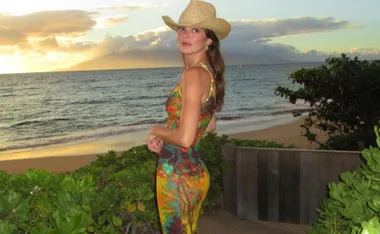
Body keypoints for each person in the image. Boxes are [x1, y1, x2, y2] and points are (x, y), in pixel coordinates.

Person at [146, 0, 231, 233]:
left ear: (209, 39)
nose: (186, 34)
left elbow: (185, 138)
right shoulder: (208, 75)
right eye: (182, 28)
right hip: (194, 173)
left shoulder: (193, 75)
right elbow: (210, 126)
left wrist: (156, 130)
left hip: (177, 176)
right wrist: (169, 136)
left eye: (195, 30)